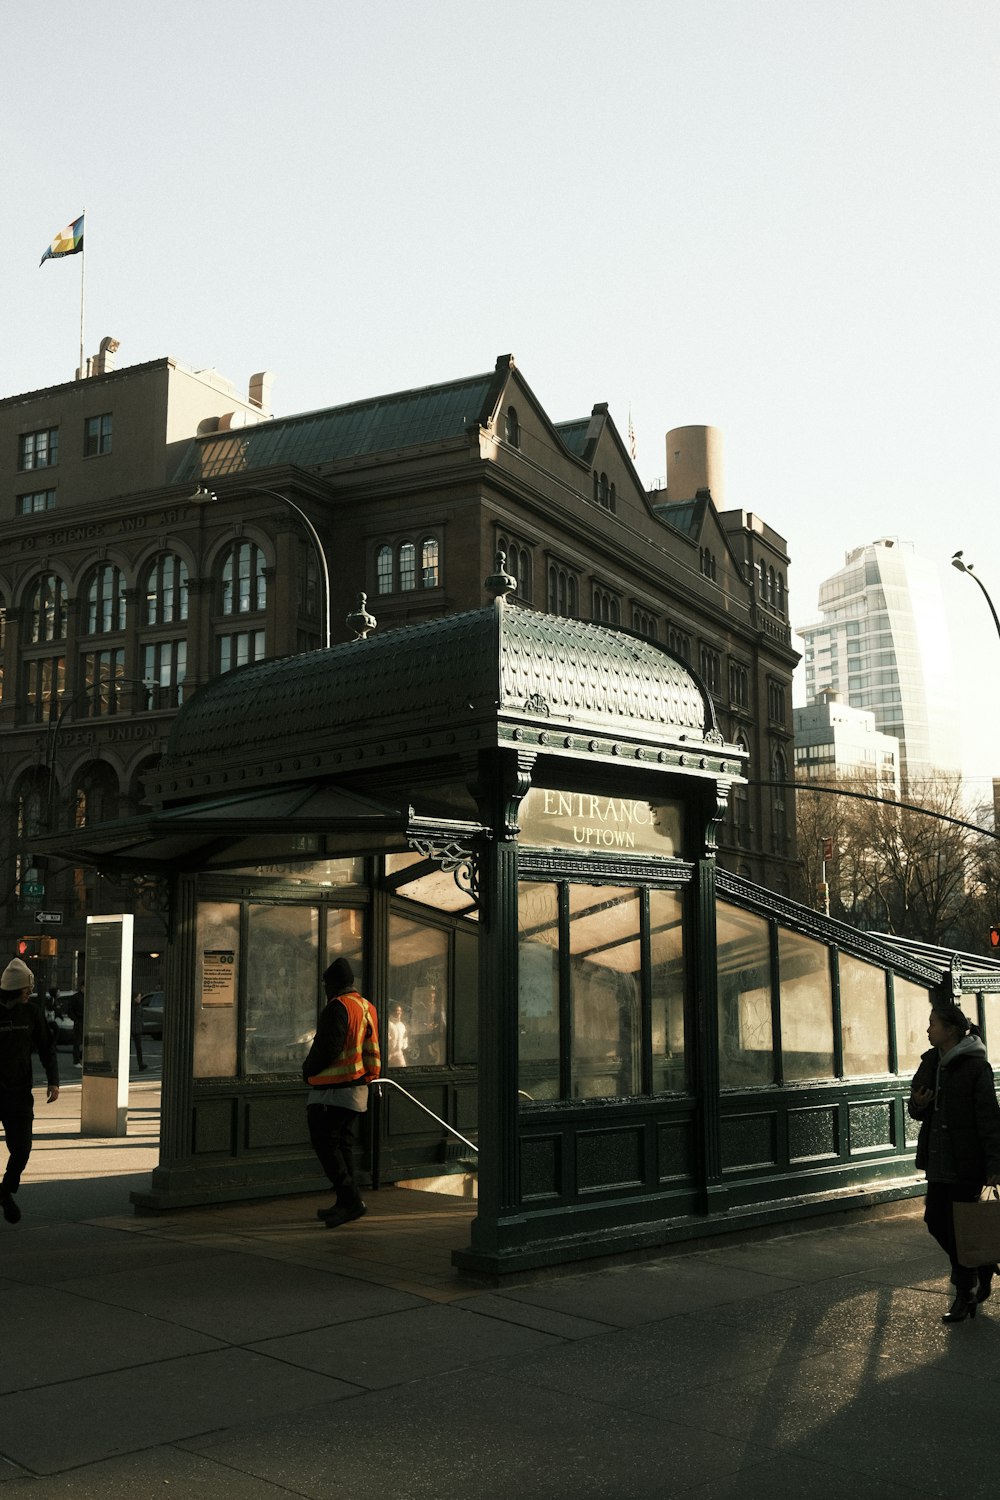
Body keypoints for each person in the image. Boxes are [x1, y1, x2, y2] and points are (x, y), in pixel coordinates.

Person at [908, 1001, 1000, 1323]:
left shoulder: (976, 1068)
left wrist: (994, 1166)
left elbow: (989, 1119)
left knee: (961, 1228)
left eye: (933, 1024)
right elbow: (915, 1106)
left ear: (950, 1031)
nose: (928, 1029)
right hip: (938, 1160)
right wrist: (918, 1104)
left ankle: (964, 1293)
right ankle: (980, 1266)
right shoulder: (931, 1061)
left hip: (966, 1163)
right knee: (935, 1220)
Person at [302, 957, 380, 1228]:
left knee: (325, 1144)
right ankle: (346, 1201)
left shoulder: (338, 1007)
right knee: (342, 1145)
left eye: (326, 984)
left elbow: (328, 1047)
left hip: (333, 1090)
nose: (324, 989)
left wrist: (307, 1070)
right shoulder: (366, 1006)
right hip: (358, 1088)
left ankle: (351, 1200)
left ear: (333, 984)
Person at [0, 957, 60, 1225]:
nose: (30, 993)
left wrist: (54, 1079)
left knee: (22, 1149)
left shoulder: (32, 1012)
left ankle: (5, 1191)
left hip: (19, 1094)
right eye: (27, 989)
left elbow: (46, 1046)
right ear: (17, 989)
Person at [130, 992, 149, 1071]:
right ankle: (140, 1064)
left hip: (137, 1030)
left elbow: (141, 1019)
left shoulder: (139, 1007)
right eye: (139, 997)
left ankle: (140, 1064)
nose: (140, 999)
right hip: (133, 1029)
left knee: (139, 1048)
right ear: (135, 998)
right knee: (136, 1048)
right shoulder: (133, 1007)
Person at [387, 1003, 408, 1068]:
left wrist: (404, 1045)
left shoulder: (402, 1026)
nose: (398, 1012)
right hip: (388, 1053)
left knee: (402, 1068)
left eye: (400, 1011)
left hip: (398, 1053)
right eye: (396, 1010)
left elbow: (405, 1037)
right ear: (392, 1011)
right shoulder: (388, 1024)